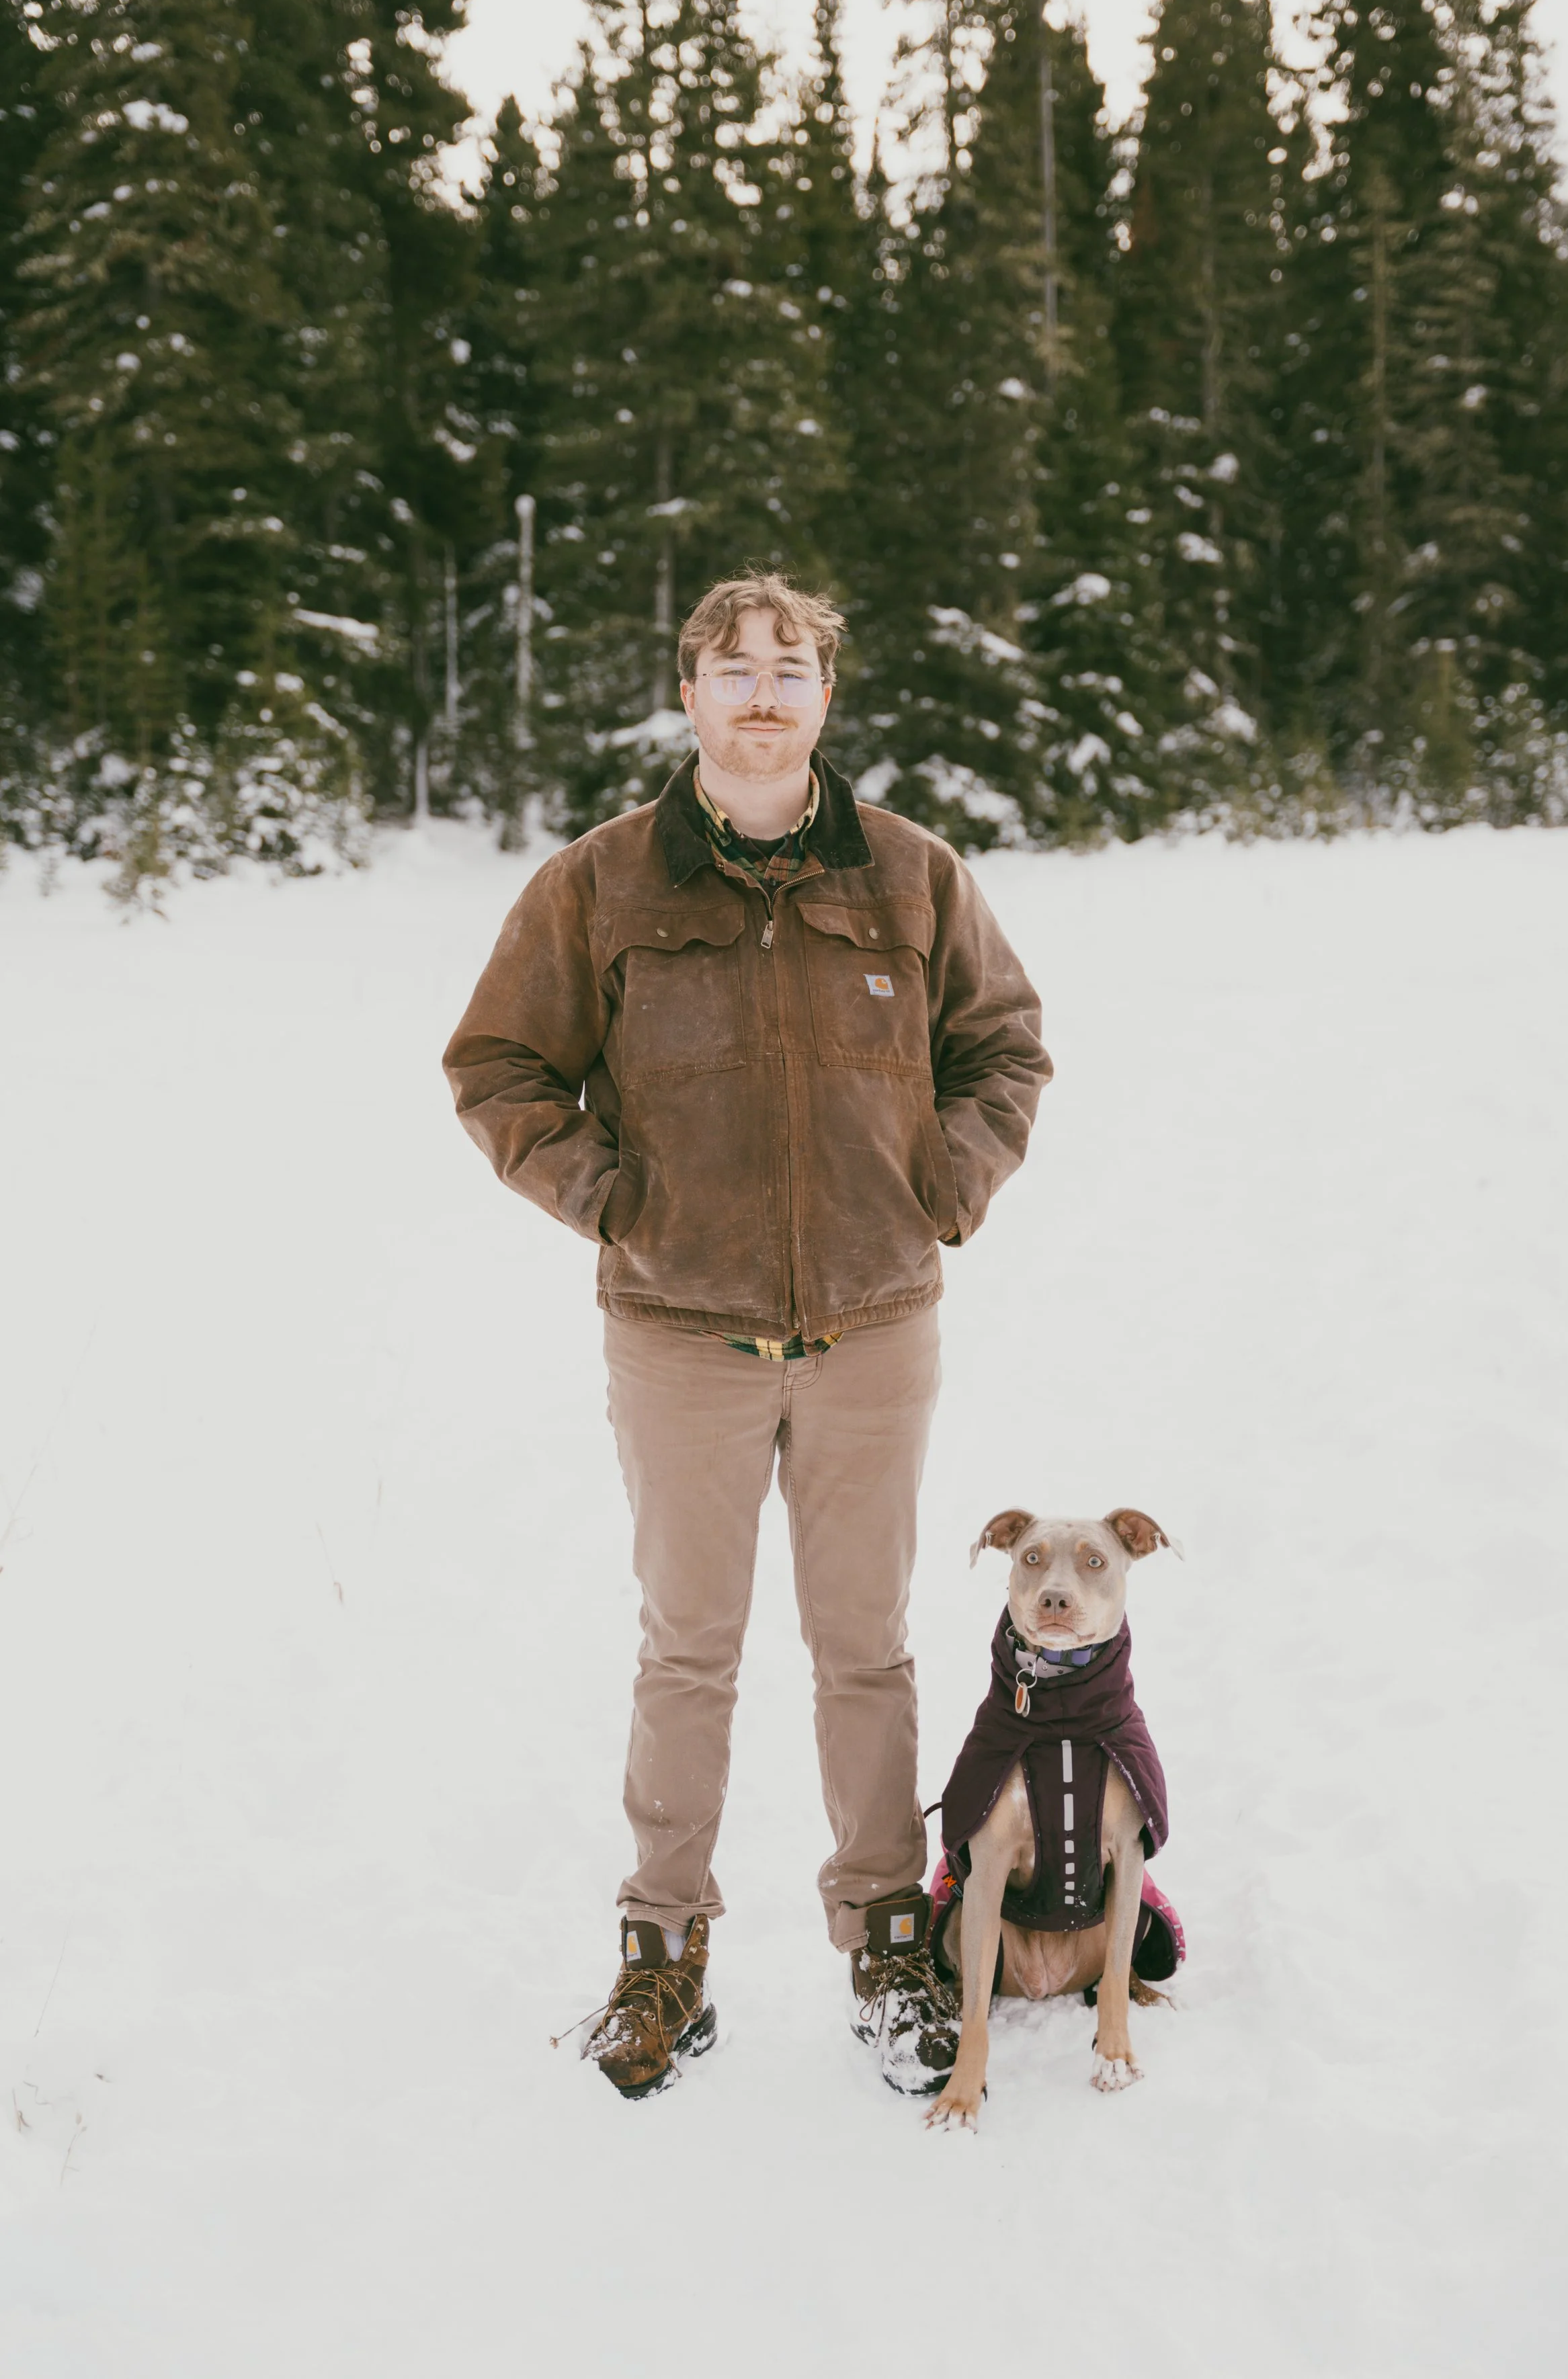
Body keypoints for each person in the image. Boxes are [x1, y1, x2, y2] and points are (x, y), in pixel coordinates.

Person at [443, 572, 1051, 2099]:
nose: (764, 693)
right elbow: (498, 1063)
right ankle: (664, 1950)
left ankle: (887, 1943)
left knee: (866, 1650)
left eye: (791, 668)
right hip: (679, 1333)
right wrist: (610, 1198)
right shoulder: (600, 883)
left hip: (872, 1329)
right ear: (689, 693)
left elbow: (1002, 1047)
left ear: (827, 696)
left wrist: (947, 1182)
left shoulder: (911, 874)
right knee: (687, 1651)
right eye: (735, 668)